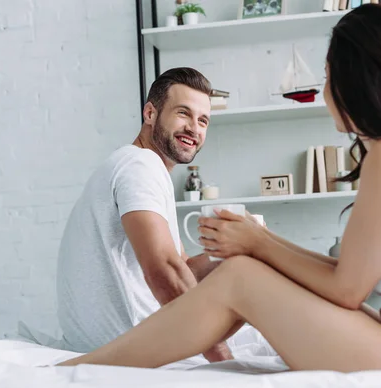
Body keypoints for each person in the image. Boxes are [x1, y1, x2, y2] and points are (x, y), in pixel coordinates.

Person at [57, 4, 381, 376]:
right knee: (242, 269)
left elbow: (346, 289)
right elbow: (350, 276)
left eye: (327, 78)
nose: (324, 92)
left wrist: (258, 245)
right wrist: (258, 244)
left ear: (356, 80)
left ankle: (81, 370)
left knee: (240, 278)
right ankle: (91, 365)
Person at [56, 67, 249, 362]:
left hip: (114, 340)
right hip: (127, 345)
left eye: (203, 120)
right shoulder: (139, 166)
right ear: (150, 113)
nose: (194, 129)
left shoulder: (142, 167)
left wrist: (241, 251)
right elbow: (165, 272)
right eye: (183, 113)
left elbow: (182, 268)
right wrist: (222, 358)